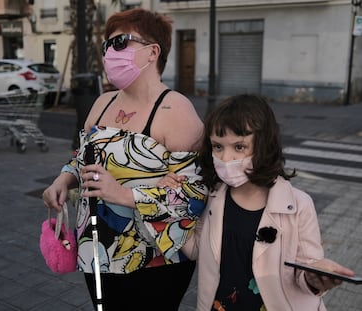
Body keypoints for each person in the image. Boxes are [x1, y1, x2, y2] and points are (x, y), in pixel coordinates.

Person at [42, 8, 207, 311]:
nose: (109, 53)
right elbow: (82, 157)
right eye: (107, 45)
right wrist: (63, 180)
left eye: (121, 43)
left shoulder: (176, 110)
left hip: (152, 260)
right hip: (96, 251)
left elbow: (193, 197)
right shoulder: (103, 102)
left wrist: (124, 195)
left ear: (152, 51)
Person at [170, 94, 354, 310]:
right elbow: (195, 250)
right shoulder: (212, 196)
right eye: (217, 147)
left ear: (264, 146)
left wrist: (316, 277)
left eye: (239, 147)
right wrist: (171, 202)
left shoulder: (299, 205)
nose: (226, 158)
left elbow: (306, 269)